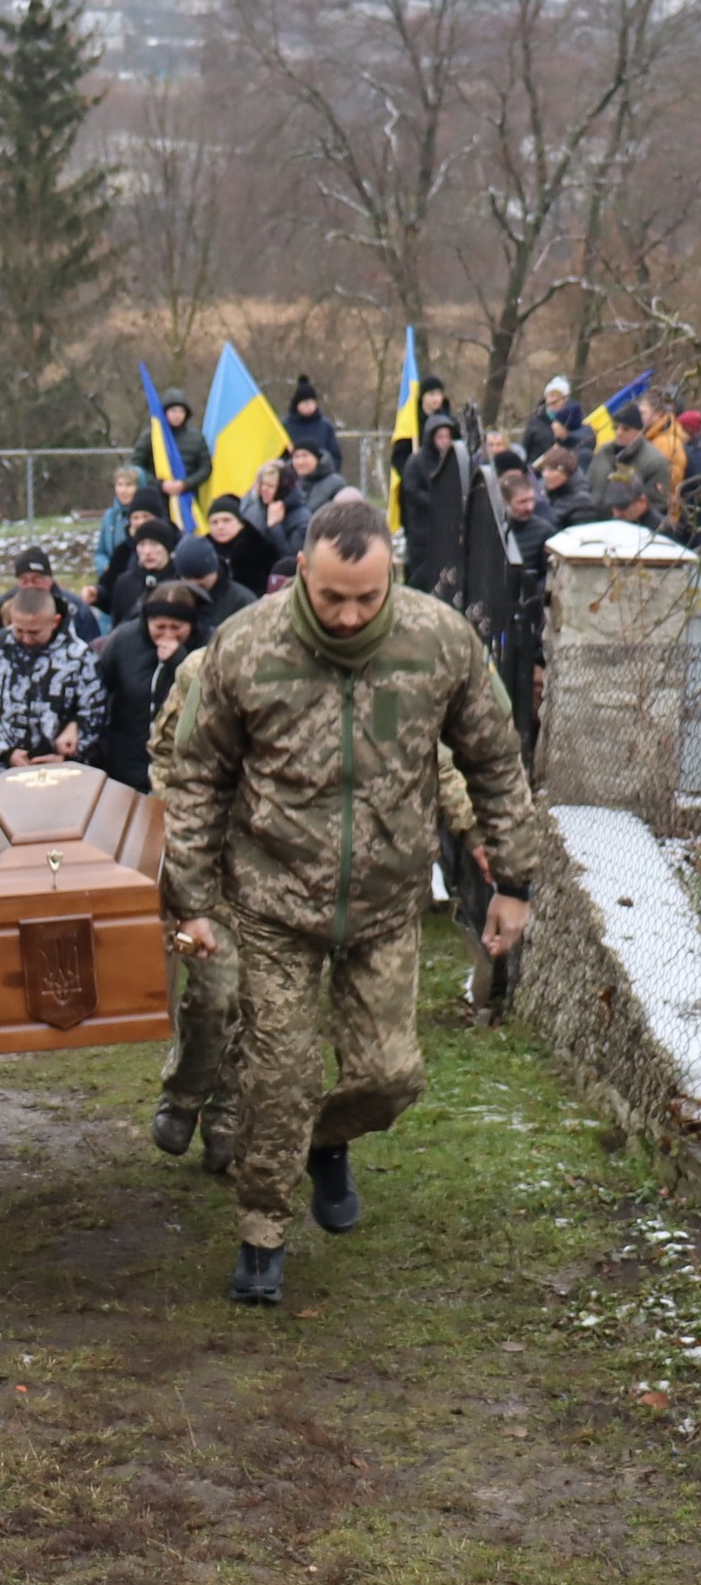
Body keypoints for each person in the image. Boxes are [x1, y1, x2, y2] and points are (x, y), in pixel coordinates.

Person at [167, 496, 540, 1308]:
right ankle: (261, 1232)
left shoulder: (438, 642)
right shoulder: (245, 646)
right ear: (302, 570)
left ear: (389, 577)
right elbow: (196, 777)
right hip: (270, 899)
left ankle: (326, 1140)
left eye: (366, 598)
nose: (346, 615)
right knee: (279, 1074)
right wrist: (190, 898)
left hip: (384, 901)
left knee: (389, 1077)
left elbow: (494, 761)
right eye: (331, 596)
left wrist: (513, 883)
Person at [146, 643, 237, 1175]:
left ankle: (227, 1119)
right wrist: (184, 844)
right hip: (215, 864)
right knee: (216, 995)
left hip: (295, 871)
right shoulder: (206, 667)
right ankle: (184, 1093)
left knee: (266, 1006)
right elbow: (165, 757)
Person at [0, 586, 106, 779]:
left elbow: (94, 712)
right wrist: (6, 752)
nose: (26, 638)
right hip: (4, 770)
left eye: (34, 632)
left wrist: (70, 749)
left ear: (55, 621)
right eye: (19, 630)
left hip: (64, 771)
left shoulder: (80, 656)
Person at [94, 582, 205, 792]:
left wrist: (179, 660)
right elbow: (98, 688)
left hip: (182, 766)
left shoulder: (207, 645)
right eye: (160, 627)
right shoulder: (123, 640)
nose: (168, 634)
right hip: (127, 762)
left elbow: (207, 694)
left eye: (176, 627)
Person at [401, 413, 465, 593]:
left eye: (447, 437)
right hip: (423, 528)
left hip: (449, 528)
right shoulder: (416, 462)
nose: (444, 441)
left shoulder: (454, 461)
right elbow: (411, 490)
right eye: (440, 437)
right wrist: (437, 504)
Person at [0, 543, 103, 641]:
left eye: (36, 579)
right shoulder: (0, 607)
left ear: (50, 579)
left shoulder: (76, 609)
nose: (30, 585)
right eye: (24, 580)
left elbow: (93, 644)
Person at [131, 387, 212, 514]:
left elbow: (205, 468)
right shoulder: (150, 437)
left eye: (181, 411)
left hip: (189, 500)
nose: (177, 415)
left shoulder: (197, 438)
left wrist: (185, 484)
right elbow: (136, 467)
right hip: (156, 499)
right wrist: (160, 484)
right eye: (173, 411)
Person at [588, 403, 671, 516]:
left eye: (625, 429)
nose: (619, 432)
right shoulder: (603, 452)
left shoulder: (654, 461)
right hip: (593, 519)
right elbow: (588, 485)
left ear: (639, 431)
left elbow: (657, 505)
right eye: (615, 427)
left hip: (629, 523)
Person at [172, 532, 254, 631]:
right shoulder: (169, 598)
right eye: (187, 578)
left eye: (200, 577)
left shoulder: (241, 601)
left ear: (214, 571)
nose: (194, 584)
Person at [108, 516, 181, 625]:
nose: (147, 551)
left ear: (168, 548)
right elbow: (117, 625)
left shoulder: (181, 581)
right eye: (142, 544)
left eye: (154, 544)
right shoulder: (124, 583)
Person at [206, 494, 279, 597]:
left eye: (226, 520)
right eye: (214, 522)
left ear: (240, 523)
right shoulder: (202, 550)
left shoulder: (261, 549)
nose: (220, 526)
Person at [241, 458, 309, 557]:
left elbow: (292, 557)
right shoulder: (253, 509)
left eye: (270, 486)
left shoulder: (301, 518)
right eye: (262, 484)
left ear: (282, 489)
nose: (264, 489)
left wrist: (274, 527)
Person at [521, 376, 591, 465]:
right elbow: (524, 450)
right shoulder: (535, 422)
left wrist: (566, 438)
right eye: (551, 395)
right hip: (536, 469)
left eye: (558, 396)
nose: (553, 400)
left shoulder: (573, 422)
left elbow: (584, 444)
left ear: (565, 399)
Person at [92, 467, 144, 583]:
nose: (123, 490)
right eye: (120, 485)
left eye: (128, 485)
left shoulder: (145, 517)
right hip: (112, 579)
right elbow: (101, 551)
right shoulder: (109, 516)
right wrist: (105, 565)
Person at [500, 465, 556, 572]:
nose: (529, 507)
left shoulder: (544, 531)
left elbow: (548, 574)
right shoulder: (491, 528)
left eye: (531, 500)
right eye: (522, 502)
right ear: (506, 502)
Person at [283, 375, 343, 472]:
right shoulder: (285, 426)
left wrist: (327, 472)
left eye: (311, 403)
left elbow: (335, 456)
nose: (309, 406)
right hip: (292, 475)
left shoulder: (325, 426)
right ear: (297, 405)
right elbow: (280, 455)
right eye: (305, 403)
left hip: (321, 475)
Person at [643, 391, 688, 497]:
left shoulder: (666, 444)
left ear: (657, 414)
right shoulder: (653, 436)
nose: (638, 417)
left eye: (642, 413)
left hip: (661, 503)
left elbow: (667, 484)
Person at [538, 446, 597, 528]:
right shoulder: (544, 492)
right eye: (544, 469)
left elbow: (581, 531)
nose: (545, 474)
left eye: (551, 470)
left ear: (566, 472)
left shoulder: (582, 502)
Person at [289, 441, 349, 514]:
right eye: (296, 457)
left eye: (305, 456)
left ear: (317, 459)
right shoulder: (290, 484)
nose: (300, 462)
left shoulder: (335, 483)